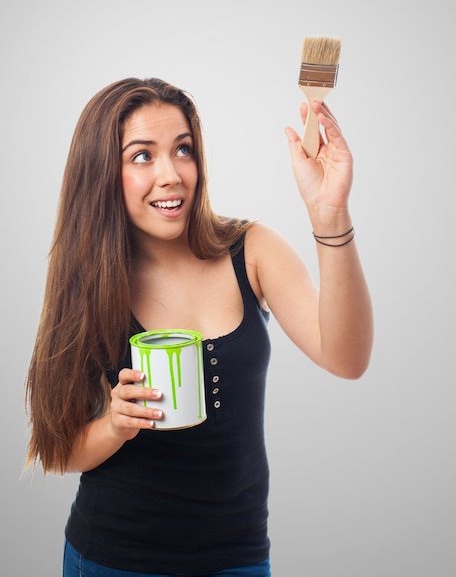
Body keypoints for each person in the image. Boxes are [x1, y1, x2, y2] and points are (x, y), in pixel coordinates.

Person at [25, 77, 373, 576]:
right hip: (115, 560)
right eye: (142, 156)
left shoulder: (252, 250)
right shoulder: (89, 281)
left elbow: (347, 358)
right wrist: (114, 427)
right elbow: (57, 452)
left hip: (240, 557)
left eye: (182, 150)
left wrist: (330, 212)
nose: (170, 174)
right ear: (102, 171)